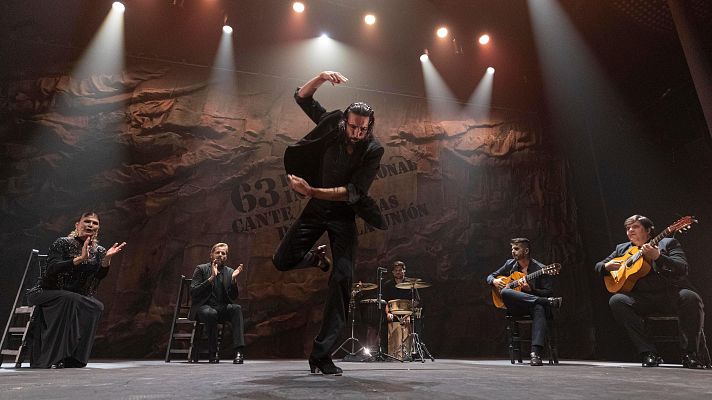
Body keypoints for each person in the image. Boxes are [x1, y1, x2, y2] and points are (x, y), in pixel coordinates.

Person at [272, 70, 387, 376]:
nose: (357, 133)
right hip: (316, 208)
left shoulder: (373, 150)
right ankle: (316, 259)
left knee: (343, 279)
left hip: (342, 216)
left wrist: (312, 190)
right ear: (344, 122)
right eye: (353, 127)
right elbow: (303, 97)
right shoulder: (331, 125)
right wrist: (321, 77)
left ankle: (321, 355)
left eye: (363, 129)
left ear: (369, 127)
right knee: (282, 260)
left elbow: (354, 192)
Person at [595, 214, 705, 368]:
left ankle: (690, 354)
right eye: (628, 228)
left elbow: (682, 268)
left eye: (635, 227)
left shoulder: (668, 243)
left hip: (669, 295)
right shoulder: (622, 249)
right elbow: (599, 266)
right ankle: (648, 352)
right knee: (617, 300)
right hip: (642, 300)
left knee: (690, 297)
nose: (630, 231)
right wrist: (606, 267)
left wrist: (659, 257)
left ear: (648, 230)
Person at [26, 212, 126, 368]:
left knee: (96, 306)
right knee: (71, 299)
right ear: (77, 225)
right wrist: (79, 259)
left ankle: (75, 358)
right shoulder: (62, 243)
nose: (91, 225)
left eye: (95, 223)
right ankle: (55, 356)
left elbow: (99, 275)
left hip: (75, 295)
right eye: (87, 221)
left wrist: (107, 259)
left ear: (98, 228)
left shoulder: (98, 250)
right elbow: (52, 268)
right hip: (46, 292)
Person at [486, 238, 562, 366]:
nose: (513, 252)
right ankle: (547, 302)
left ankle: (535, 354)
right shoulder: (509, 264)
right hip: (516, 307)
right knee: (505, 292)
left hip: (531, 306)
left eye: (516, 249)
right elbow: (489, 276)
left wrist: (531, 290)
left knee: (539, 308)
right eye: (512, 249)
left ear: (526, 251)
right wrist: (494, 281)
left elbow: (548, 292)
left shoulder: (541, 269)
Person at [189, 242, 246, 364]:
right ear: (211, 255)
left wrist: (234, 280)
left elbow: (233, 297)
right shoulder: (201, 269)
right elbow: (193, 291)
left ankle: (238, 352)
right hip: (203, 308)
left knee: (236, 309)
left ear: (226, 257)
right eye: (217, 252)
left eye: (223, 253)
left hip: (220, 308)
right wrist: (211, 278)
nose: (220, 255)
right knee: (210, 313)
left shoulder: (230, 272)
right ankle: (213, 352)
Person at [382, 261, 416, 358]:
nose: (398, 272)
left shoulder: (411, 284)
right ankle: (389, 352)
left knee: (414, 321)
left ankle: (409, 352)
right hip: (393, 313)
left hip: (407, 313)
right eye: (396, 270)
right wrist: (388, 313)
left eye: (400, 270)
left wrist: (409, 315)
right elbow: (385, 302)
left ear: (404, 271)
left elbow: (416, 302)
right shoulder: (388, 284)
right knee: (383, 323)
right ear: (392, 272)